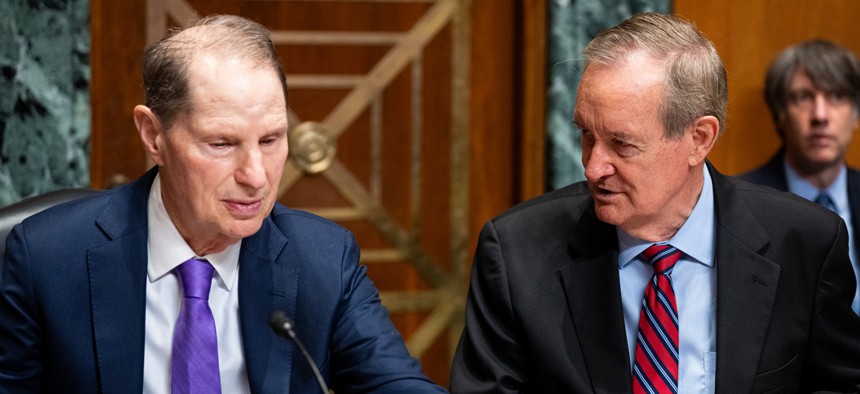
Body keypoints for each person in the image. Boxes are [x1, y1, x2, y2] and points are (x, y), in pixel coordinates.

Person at [0, 15, 446, 393]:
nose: (256, 176)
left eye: (270, 140)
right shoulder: (47, 259)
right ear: (153, 135)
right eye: (220, 143)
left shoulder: (324, 261)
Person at [450, 12, 860, 394]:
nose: (593, 168)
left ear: (699, 139)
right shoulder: (516, 254)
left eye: (621, 144)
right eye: (587, 135)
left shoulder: (805, 244)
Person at [739, 39, 860, 315]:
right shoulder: (739, 204)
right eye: (803, 97)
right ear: (780, 114)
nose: (820, 115)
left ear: (855, 115)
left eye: (836, 97)